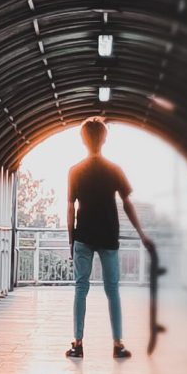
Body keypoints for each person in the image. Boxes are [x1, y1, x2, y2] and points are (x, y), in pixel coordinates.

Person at [65, 118, 155, 361]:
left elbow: (70, 209)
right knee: (112, 290)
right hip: (108, 236)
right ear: (104, 139)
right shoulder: (114, 169)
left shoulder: (74, 171)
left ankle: (77, 343)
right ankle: (118, 345)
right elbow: (127, 204)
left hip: (83, 235)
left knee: (80, 288)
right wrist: (141, 234)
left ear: (83, 140)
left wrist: (70, 240)